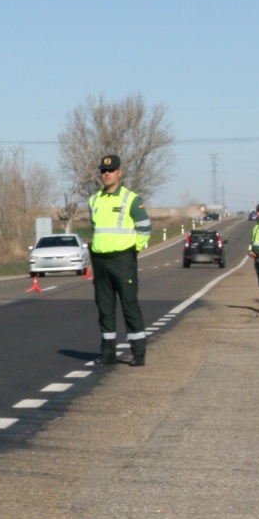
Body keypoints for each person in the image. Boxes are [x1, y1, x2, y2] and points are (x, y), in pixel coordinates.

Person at [87, 154, 152, 365]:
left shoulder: (131, 199)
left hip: (123, 260)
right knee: (105, 309)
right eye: (103, 171)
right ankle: (107, 353)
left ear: (119, 173)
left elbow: (145, 229)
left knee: (129, 306)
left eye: (111, 170)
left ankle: (138, 353)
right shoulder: (94, 199)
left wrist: (134, 250)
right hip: (100, 261)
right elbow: (96, 228)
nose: (106, 174)